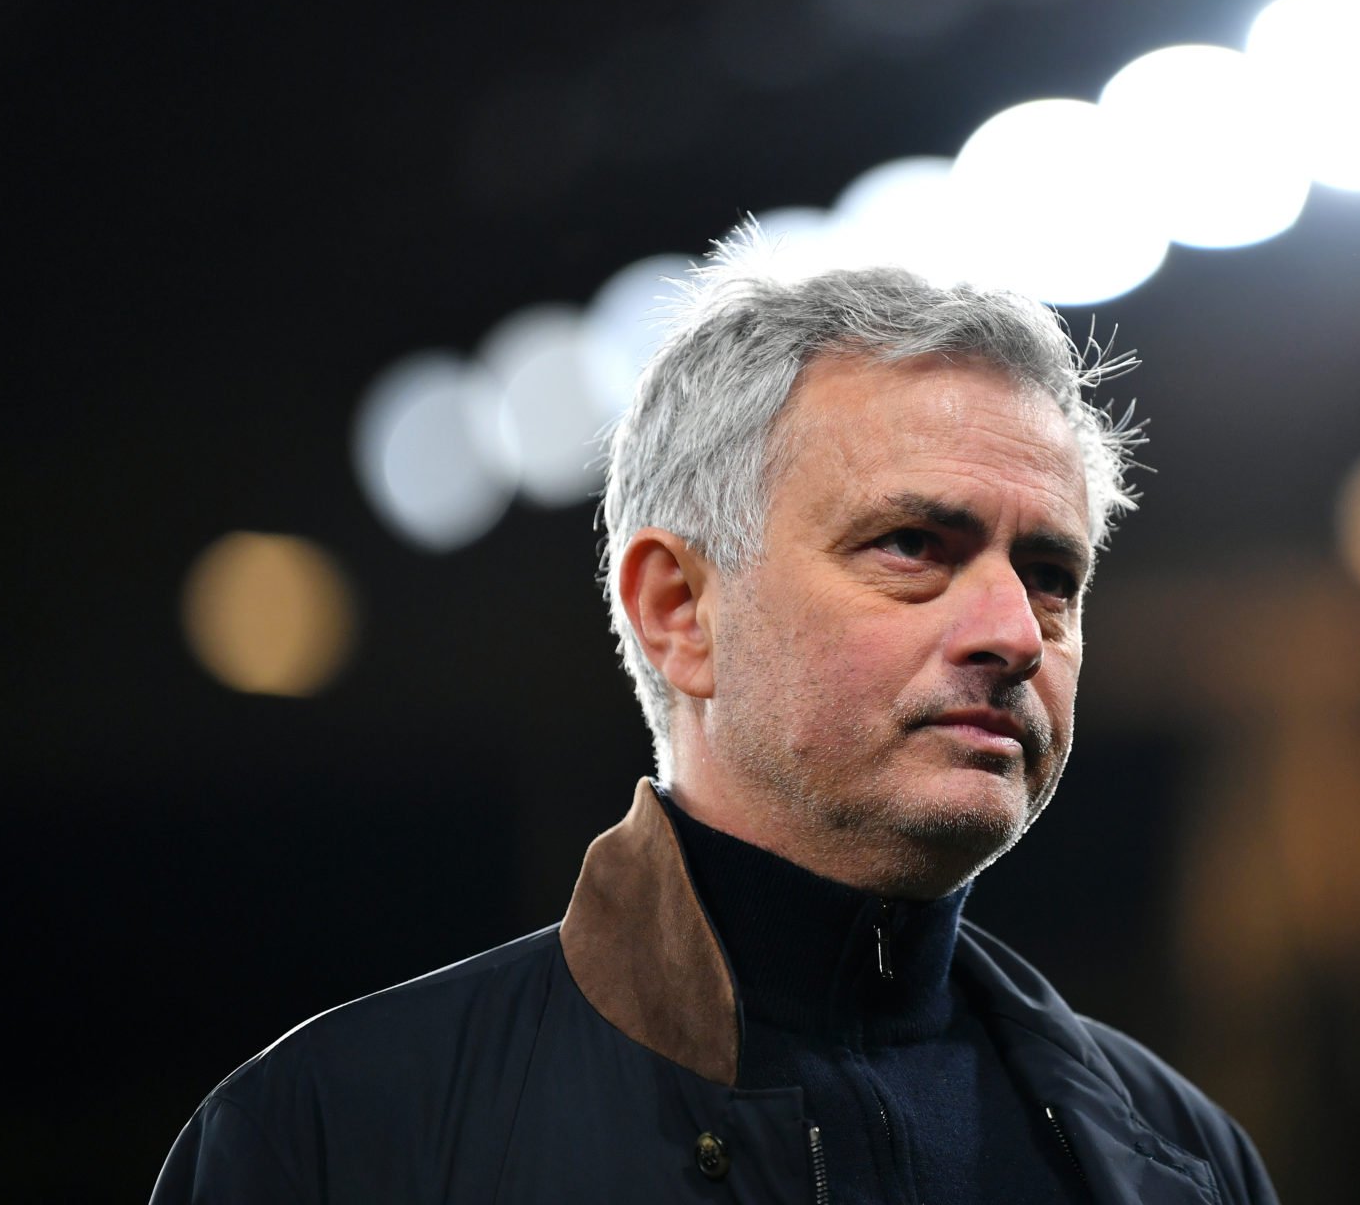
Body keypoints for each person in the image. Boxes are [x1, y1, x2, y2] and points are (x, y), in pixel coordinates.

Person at [152, 230, 1280, 1204]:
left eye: (1049, 573)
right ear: (679, 609)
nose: (1016, 632)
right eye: (912, 546)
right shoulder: (336, 1136)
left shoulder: (1189, 1160)